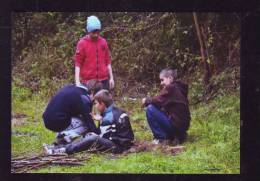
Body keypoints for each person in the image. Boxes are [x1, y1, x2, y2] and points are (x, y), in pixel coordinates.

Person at [44, 89, 134, 155]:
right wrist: (100, 120)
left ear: (102, 103)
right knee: (90, 136)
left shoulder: (108, 118)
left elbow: (102, 137)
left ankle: (62, 150)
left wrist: (95, 135)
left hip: (118, 148)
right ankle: (58, 148)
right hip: (120, 144)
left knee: (92, 139)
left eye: (96, 104)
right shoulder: (114, 111)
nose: (95, 106)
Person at [141, 68, 191, 145]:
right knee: (159, 108)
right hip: (182, 128)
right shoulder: (180, 88)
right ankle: (179, 136)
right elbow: (161, 102)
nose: (161, 83)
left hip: (176, 126)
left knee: (150, 109)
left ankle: (161, 138)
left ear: (170, 78)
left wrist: (146, 100)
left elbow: (156, 100)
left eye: (162, 80)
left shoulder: (171, 88)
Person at [74, 15, 114, 91]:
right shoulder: (82, 43)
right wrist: (77, 82)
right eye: (93, 32)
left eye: (97, 32)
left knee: (103, 102)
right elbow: (78, 64)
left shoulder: (103, 42)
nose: (96, 34)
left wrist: (111, 78)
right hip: (88, 82)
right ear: (89, 31)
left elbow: (108, 61)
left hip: (103, 81)